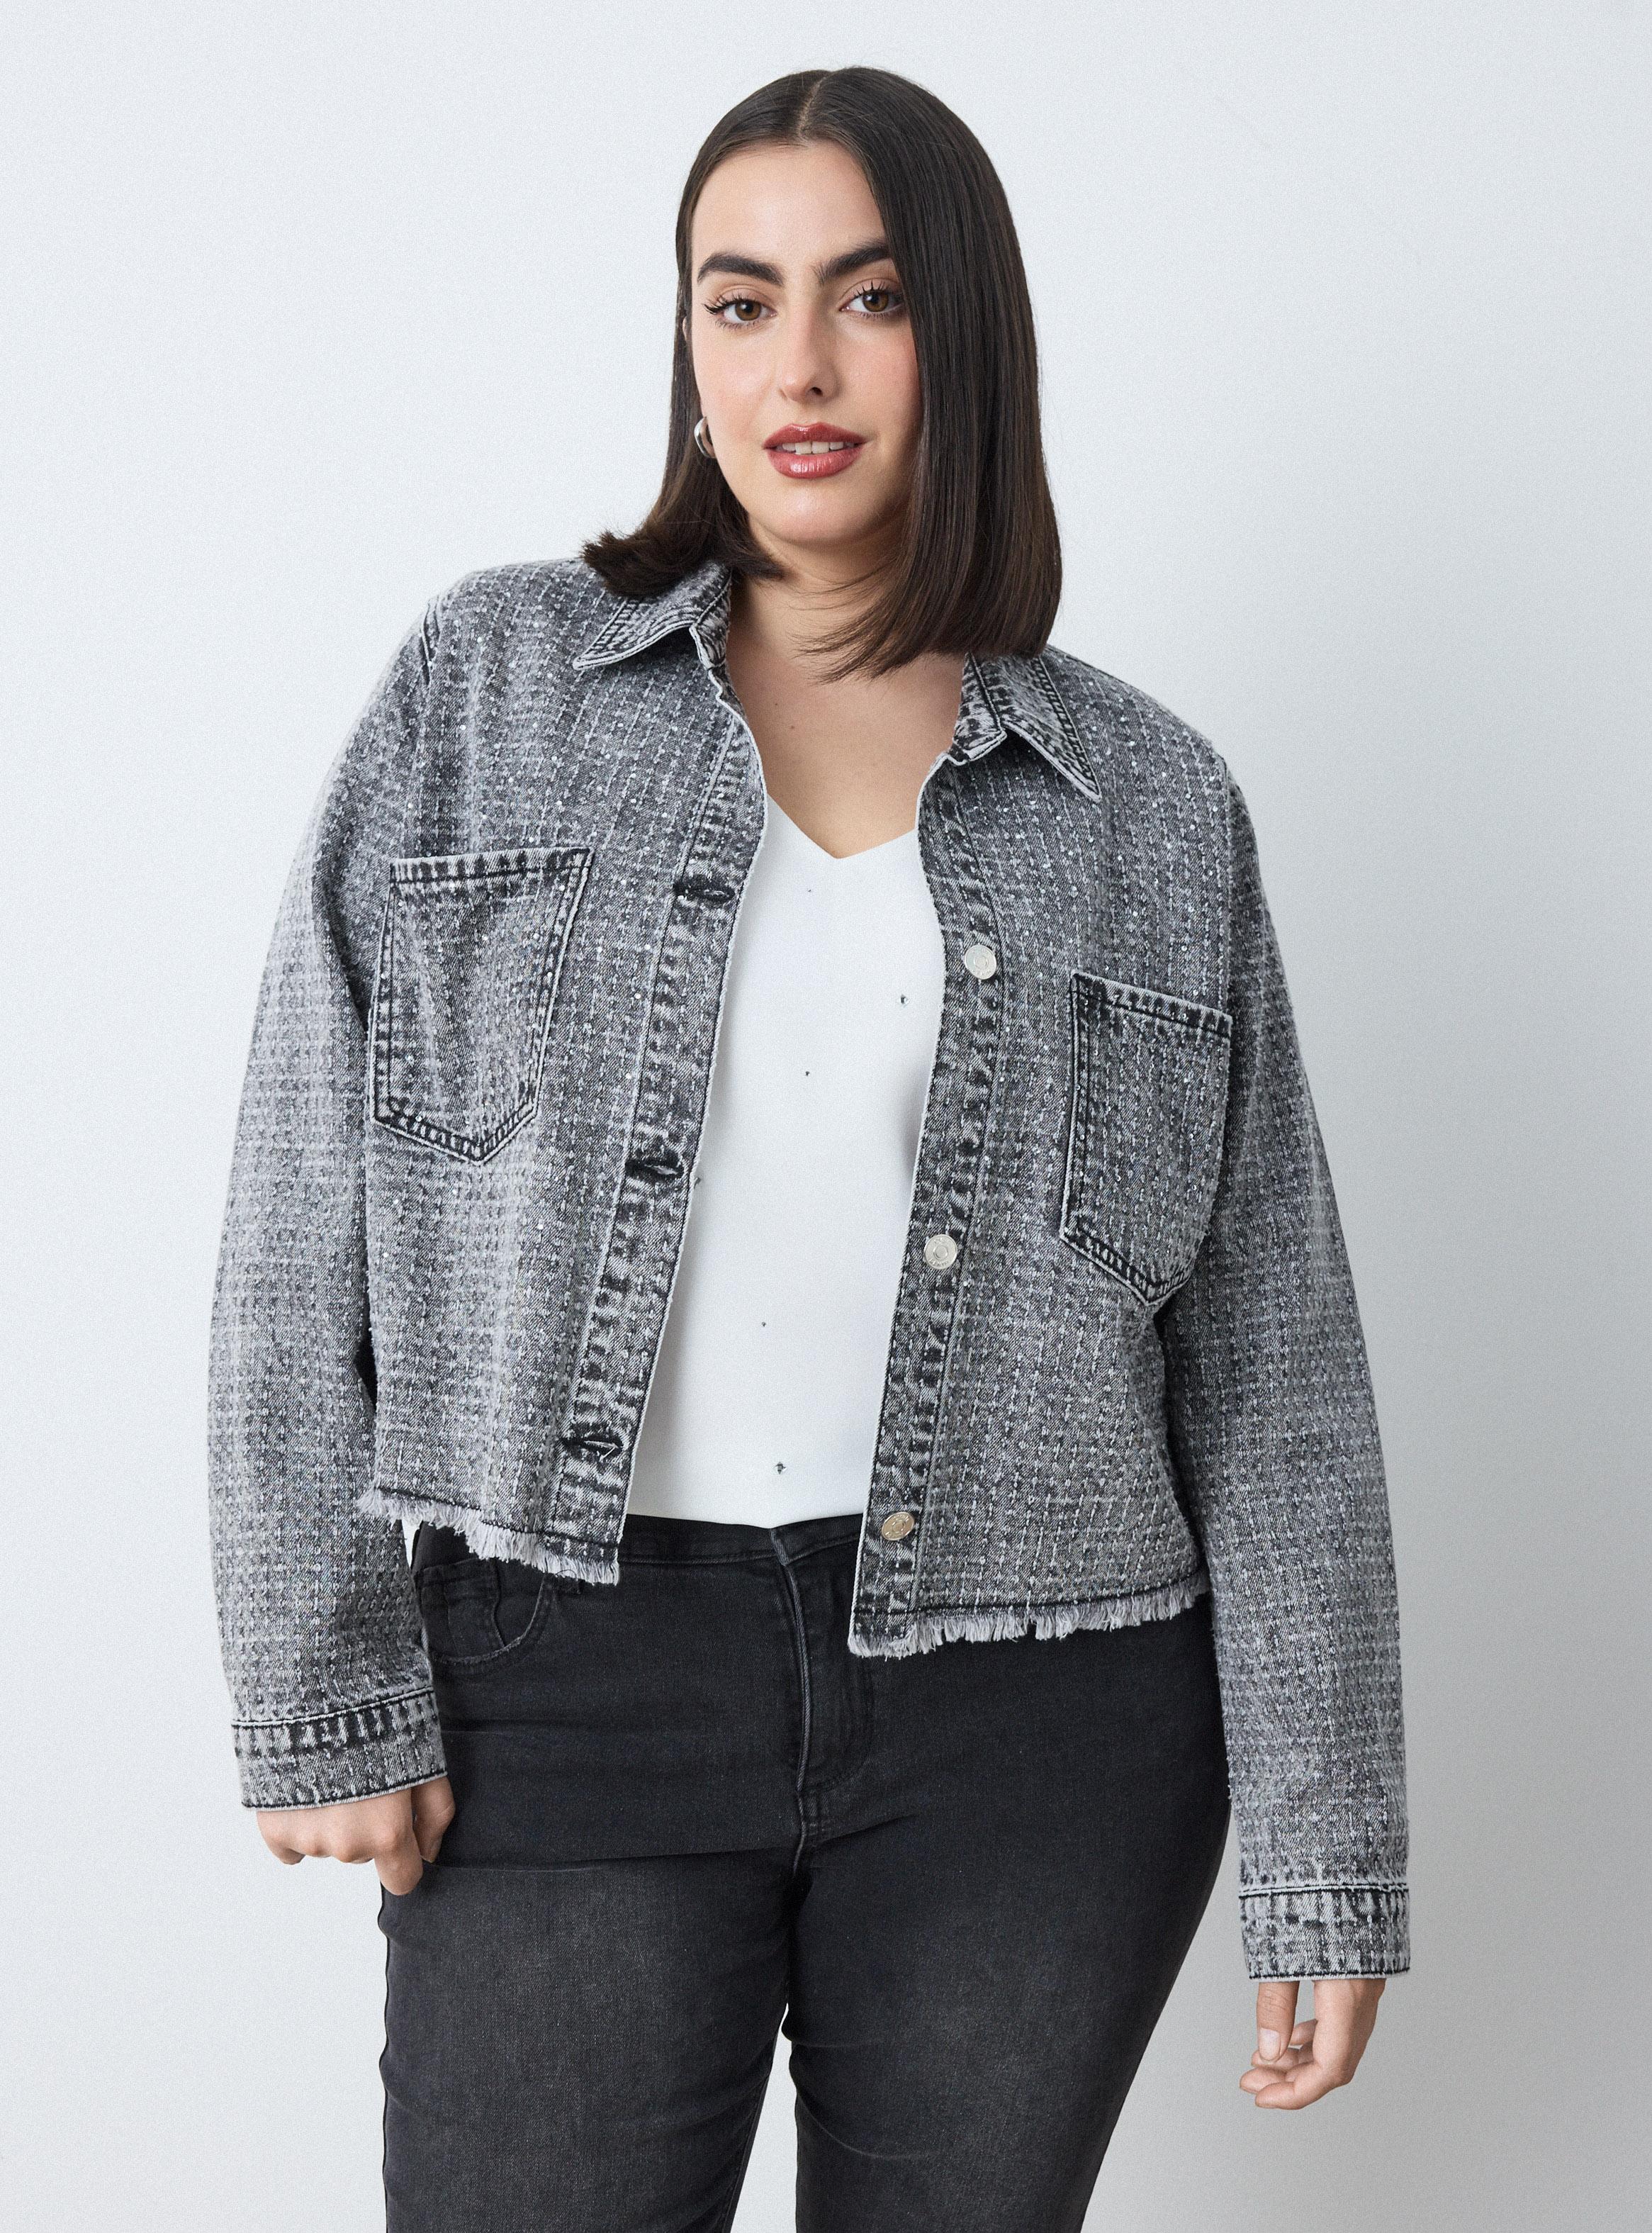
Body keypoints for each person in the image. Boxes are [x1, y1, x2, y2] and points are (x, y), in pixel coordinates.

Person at [208, 63, 1407, 2233]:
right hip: (563, 1683)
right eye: (738, 300)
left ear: (964, 335)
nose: (799, 366)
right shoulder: (487, 690)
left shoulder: (1149, 803)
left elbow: (1271, 1360)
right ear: (685, 343)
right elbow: (302, 1205)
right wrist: (320, 1683)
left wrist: (1327, 1844)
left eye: (868, 297)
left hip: (1042, 1722)